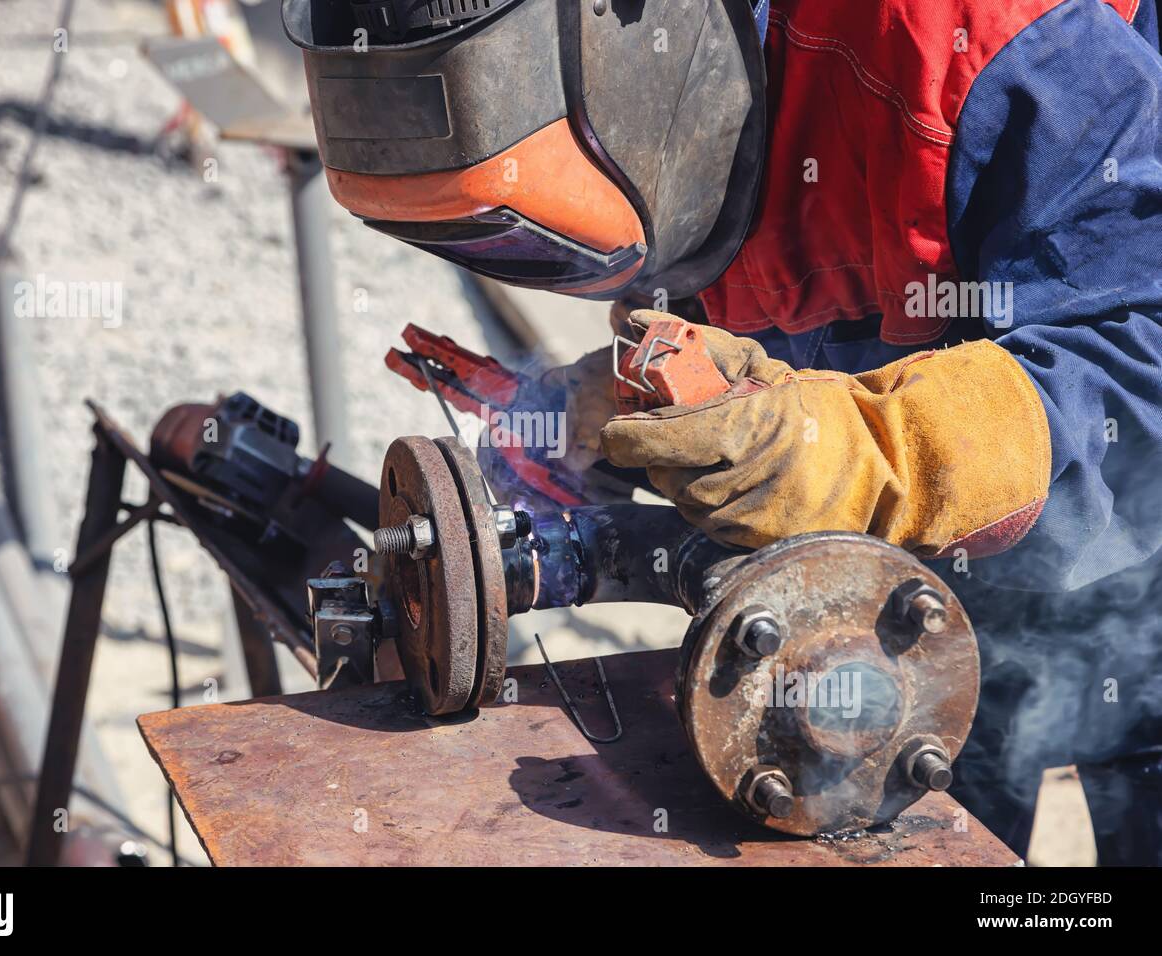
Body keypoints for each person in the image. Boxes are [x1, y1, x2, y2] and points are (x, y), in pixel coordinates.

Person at [288, 0, 1162, 863]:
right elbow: (743, 282)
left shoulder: (981, 38)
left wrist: (867, 451)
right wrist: (620, 404)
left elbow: (1139, 355)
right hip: (927, 606)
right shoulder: (672, 93)